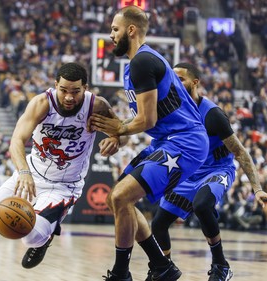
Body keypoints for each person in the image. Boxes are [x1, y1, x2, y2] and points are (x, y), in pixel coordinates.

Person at [0, 63, 121, 281]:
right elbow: (16, 140)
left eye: (75, 91)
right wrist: (23, 172)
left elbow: (122, 132)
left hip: (64, 186)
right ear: (56, 86)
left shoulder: (96, 106)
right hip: (31, 173)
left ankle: (46, 235)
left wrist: (115, 139)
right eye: (64, 90)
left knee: (30, 238)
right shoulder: (42, 103)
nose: (69, 97)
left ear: (86, 88)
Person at [89, 6, 209, 281]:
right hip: (168, 140)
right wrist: (119, 133)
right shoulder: (134, 64)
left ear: (131, 30)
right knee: (116, 198)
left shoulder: (143, 62)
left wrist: (119, 129)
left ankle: (121, 274)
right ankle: (161, 265)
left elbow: (147, 119)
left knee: (121, 197)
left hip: (185, 142)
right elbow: (144, 120)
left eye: (115, 29)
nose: (111, 35)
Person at [147, 62, 267, 281]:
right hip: (189, 172)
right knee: (159, 223)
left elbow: (240, 151)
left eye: (181, 79)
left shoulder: (213, 114)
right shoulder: (173, 111)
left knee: (202, 204)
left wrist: (257, 189)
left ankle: (221, 265)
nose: (175, 83)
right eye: (173, 79)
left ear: (195, 82)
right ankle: (164, 269)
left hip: (217, 170)